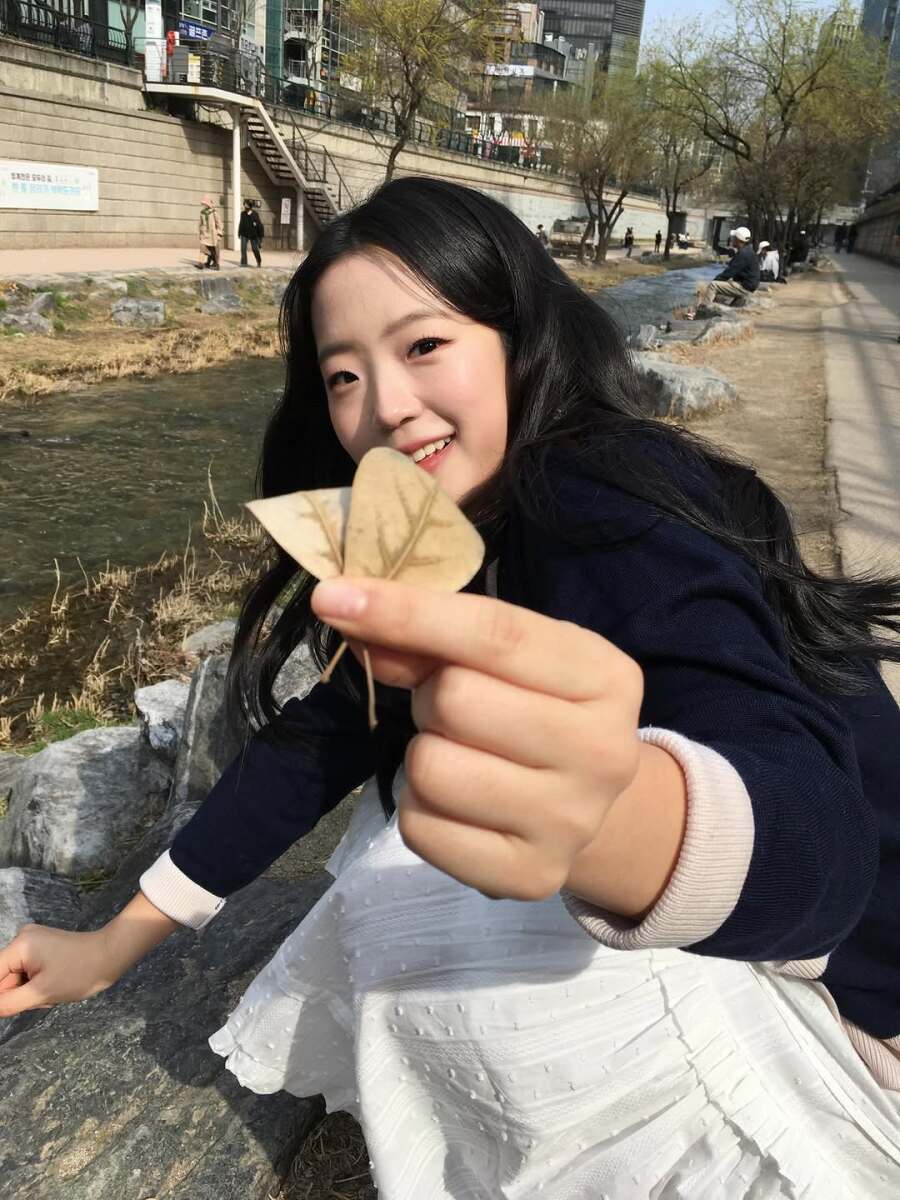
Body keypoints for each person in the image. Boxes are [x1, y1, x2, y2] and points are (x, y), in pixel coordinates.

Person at [3, 178, 900, 1199]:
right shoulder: (450, 534)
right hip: (772, 953)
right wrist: (114, 942)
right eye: (344, 376)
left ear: (520, 334)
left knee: (406, 884)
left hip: (860, 1006)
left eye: (425, 344)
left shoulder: (607, 493)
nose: (386, 406)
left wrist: (631, 820)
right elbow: (319, 741)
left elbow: (820, 839)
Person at [692, 225, 759, 310]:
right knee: (721, 284)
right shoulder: (748, 251)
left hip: (744, 288)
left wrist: (713, 281)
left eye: (734, 238)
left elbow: (728, 273)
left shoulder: (743, 254)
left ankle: (703, 309)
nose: (732, 239)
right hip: (748, 286)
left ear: (738, 240)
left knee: (713, 285)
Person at [198, 194, 222, 270]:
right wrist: (200, 233)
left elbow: (219, 223)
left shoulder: (214, 212)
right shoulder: (202, 213)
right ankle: (200, 263)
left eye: (205, 203)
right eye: (203, 203)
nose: (204, 205)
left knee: (214, 250)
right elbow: (200, 224)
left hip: (213, 235)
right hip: (205, 234)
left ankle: (216, 264)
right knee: (202, 247)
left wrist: (219, 233)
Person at [238, 198, 264, 268]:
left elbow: (259, 225)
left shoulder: (255, 214)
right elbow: (241, 223)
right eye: (244, 204)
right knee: (243, 248)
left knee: (255, 249)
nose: (245, 206)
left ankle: (259, 261)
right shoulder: (243, 214)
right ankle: (244, 263)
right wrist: (239, 233)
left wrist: (260, 237)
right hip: (244, 234)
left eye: (246, 205)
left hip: (253, 235)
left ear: (250, 206)